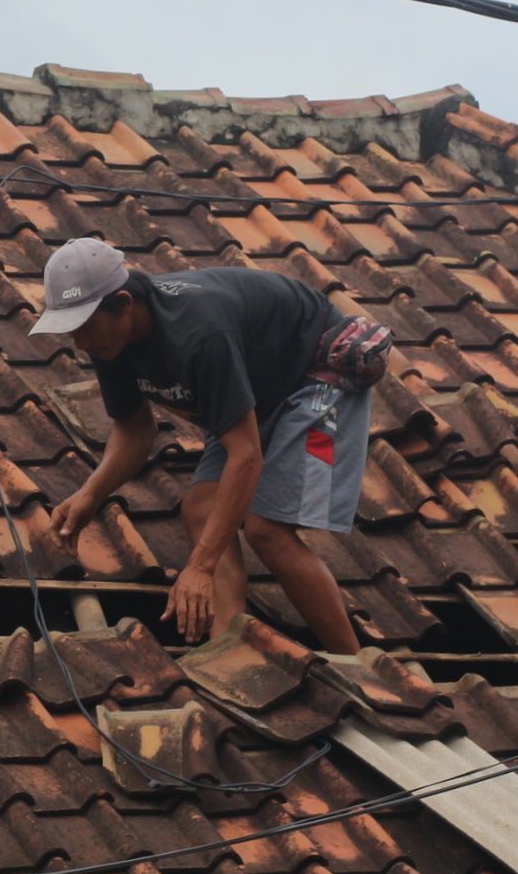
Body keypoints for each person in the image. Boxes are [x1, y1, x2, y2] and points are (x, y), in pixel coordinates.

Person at [32, 237, 371, 655]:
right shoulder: (110, 341)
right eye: (72, 330)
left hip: (318, 372)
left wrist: (200, 566)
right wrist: (91, 494)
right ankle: (230, 651)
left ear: (123, 303)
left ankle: (358, 663)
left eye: (85, 326)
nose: (81, 344)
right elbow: (136, 431)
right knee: (201, 508)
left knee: (267, 529)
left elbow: (246, 457)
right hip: (257, 386)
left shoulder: (198, 332)